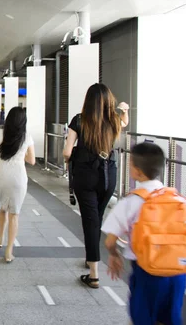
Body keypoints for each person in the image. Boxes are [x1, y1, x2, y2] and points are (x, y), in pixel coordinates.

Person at [103, 143, 186, 324]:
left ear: (137, 171)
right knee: (171, 317)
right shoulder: (177, 198)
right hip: (178, 272)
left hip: (148, 272)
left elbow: (110, 241)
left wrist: (114, 254)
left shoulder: (132, 201)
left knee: (143, 317)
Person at [63, 83, 129, 288]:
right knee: (97, 219)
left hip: (86, 175)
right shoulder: (113, 120)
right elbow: (125, 122)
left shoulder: (79, 120)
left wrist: (76, 157)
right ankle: (91, 257)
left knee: (90, 222)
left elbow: (66, 152)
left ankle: (93, 273)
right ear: (108, 101)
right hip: (109, 175)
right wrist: (124, 110)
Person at [0, 107, 35, 262]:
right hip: (18, 175)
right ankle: (9, 251)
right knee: (15, 213)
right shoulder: (26, 137)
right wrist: (22, 154)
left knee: (4, 207)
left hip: (1, 173)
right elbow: (32, 160)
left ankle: (0, 239)